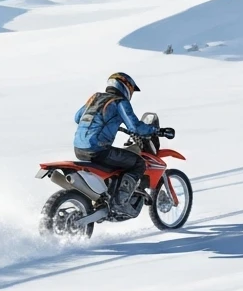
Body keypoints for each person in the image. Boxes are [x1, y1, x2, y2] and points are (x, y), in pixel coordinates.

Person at [73, 72, 172, 207]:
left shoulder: (95, 98)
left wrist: (108, 124)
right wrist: (156, 130)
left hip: (79, 149)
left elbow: (78, 118)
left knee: (117, 164)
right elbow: (135, 127)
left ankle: (109, 192)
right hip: (98, 150)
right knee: (138, 163)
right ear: (126, 86)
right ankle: (120, 201)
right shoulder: (119, 102)